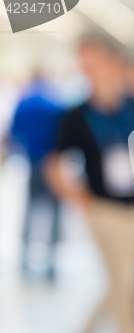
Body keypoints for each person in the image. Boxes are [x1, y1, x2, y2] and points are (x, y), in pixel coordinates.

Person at [45, 35, 134, 333]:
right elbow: (53, 166)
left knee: (122, 281)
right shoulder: (74, 116)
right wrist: (83, 202)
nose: (90, 71)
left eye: (95, 63)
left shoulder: (132, 104)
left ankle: (88, 328)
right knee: (125, 287)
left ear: (114, 64)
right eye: (85, 66)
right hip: (104, 210)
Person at [9, 77, 65, 281]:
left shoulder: (24, 102)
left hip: (33, 161)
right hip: (52, 163)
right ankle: (51, 261)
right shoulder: (56, 102)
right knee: (54, 212)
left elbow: (14, 133)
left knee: (31, 208)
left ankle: (24, 257)